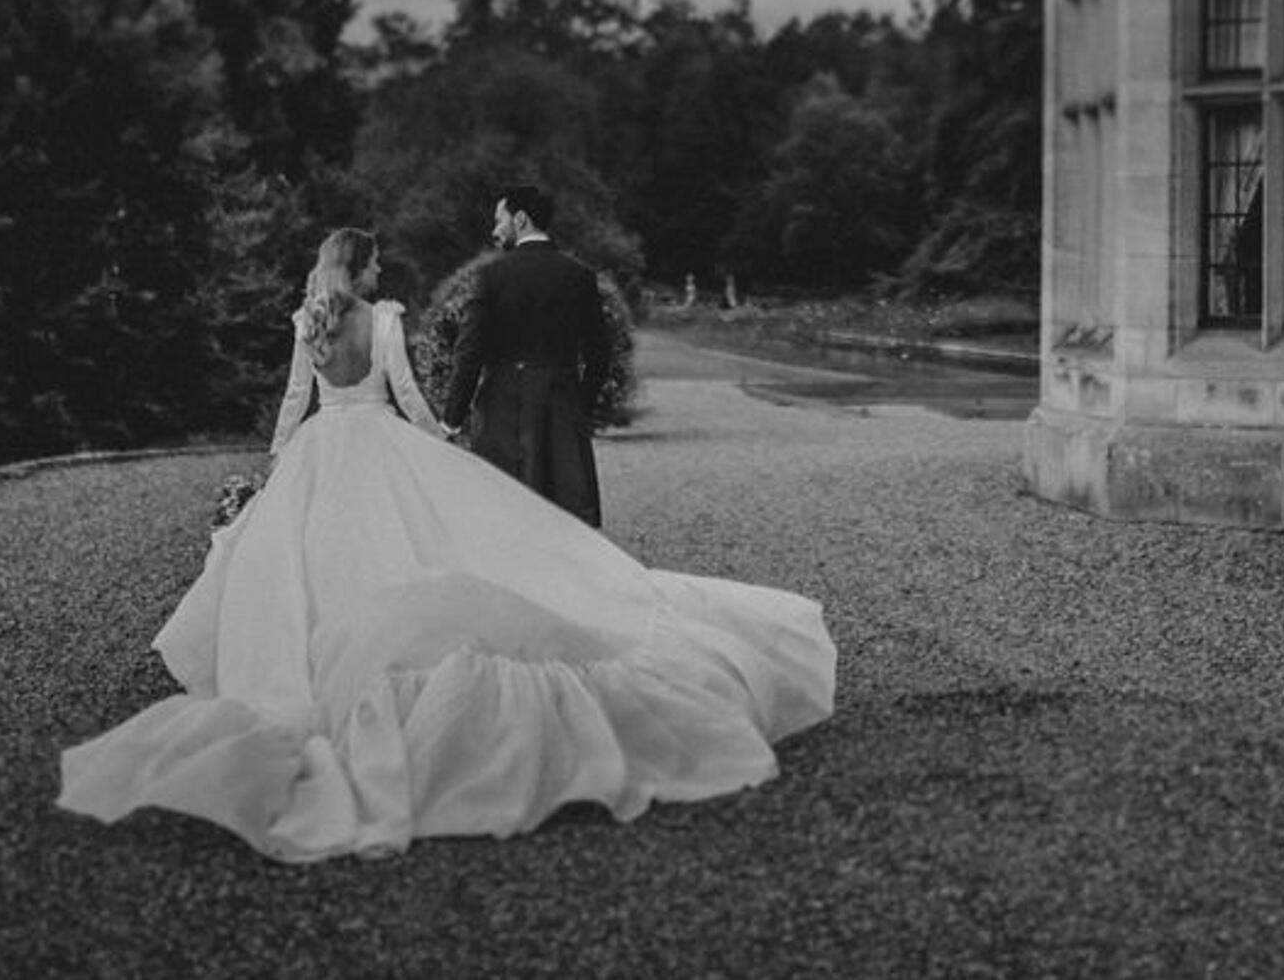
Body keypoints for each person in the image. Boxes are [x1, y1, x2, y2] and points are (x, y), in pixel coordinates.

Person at [57, 227, 836, 861]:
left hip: (321, 450)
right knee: (410, 552)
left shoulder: (308, 324)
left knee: (312, 569)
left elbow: (296, 401)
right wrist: (445, 445)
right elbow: (408, 401)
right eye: (377, 261)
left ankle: (319, 670)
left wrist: (273, 470)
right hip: (382, 446)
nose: (382, 269)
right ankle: (391, 669)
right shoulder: (387, 320)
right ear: (362, 269)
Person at [441, 185, 609, 527]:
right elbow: (600, 353)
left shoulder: (491, 276)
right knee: (565, 517)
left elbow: (469, 353)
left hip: (504, 407)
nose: (494, 230)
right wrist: (581, 406)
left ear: (520, 219)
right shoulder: (580, 276)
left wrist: (451, 419)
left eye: (499, 220)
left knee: (506, 516)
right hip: (563, 406)